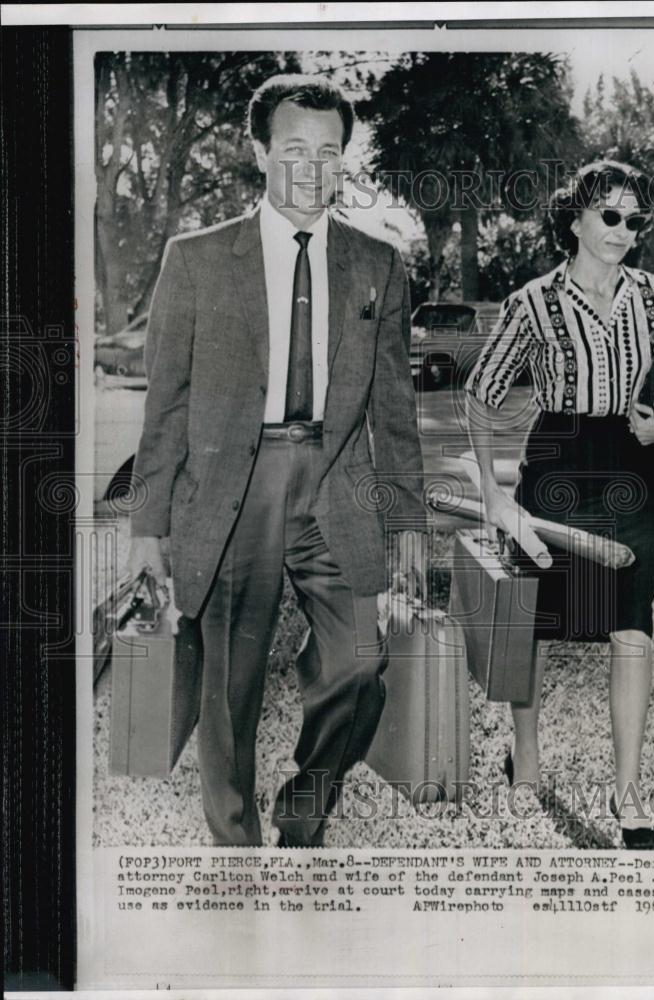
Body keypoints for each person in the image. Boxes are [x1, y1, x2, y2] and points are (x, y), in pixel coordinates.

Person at [128, 74, 427, 847]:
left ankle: (305, 808)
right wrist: (147, 526)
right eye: (293, 149)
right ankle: (236, 846)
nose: (311, 169)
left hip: (336, 486)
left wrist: (407, 525)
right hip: (231, 488)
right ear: (258, 151)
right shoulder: (194, 260)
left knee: (361, 665)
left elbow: (394, 412)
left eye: (329, 154)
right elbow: (164, 401)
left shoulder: (378, 264)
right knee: (229, 684)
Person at [466, 160, 654, 850]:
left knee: (631, 625)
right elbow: (480, 394)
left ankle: (626, 795)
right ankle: (525, 759)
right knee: (534, 625)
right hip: (556, 462)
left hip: (630, 470)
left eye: (633, 219)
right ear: (573, 220)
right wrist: (492, 494)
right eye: (609, 216)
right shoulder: (531, 302)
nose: (623, 232)